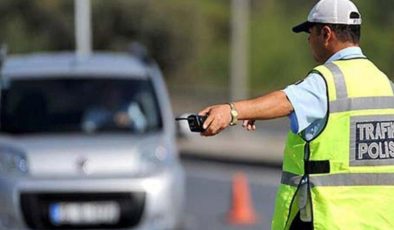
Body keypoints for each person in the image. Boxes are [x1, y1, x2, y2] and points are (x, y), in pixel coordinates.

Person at [198, 0, 394, 229]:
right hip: (379, 220)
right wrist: (258, 112)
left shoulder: (327, 80)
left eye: (309, 33)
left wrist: (231, 111)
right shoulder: (384, 84)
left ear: (326, 34)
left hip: (330, 221)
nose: (308, 40)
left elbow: (286, 101)